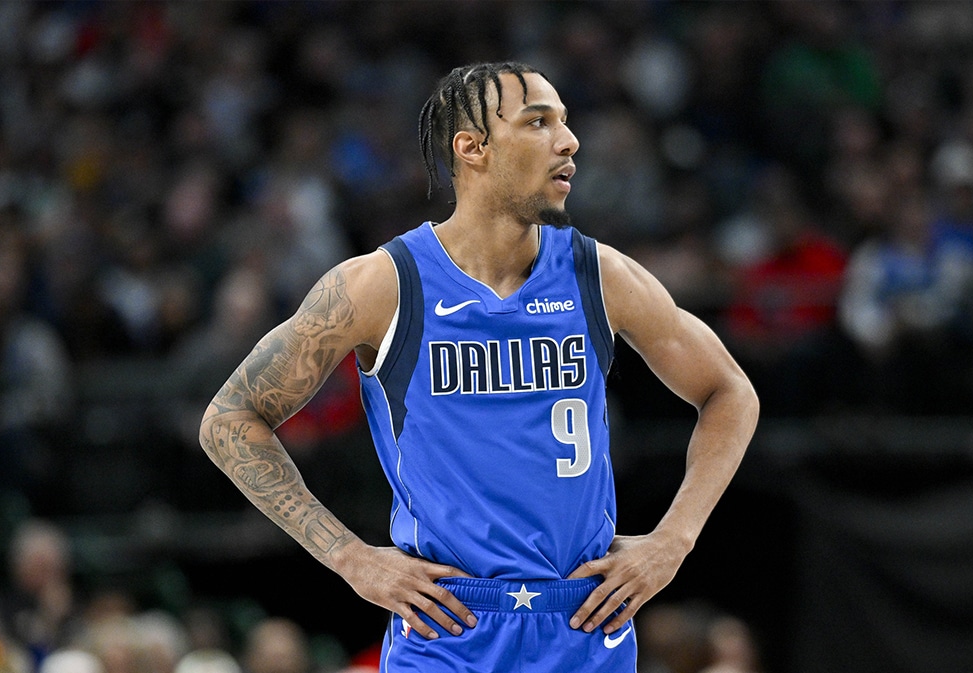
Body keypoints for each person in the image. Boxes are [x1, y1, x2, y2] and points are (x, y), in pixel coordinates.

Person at [198, 61, 759, 672]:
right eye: (538, 122)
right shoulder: (382, 285)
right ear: (472, 148)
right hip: (446, 626)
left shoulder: (601, 276)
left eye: (565, 123)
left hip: (585, 622)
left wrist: (674, 541)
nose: (568, 142)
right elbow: (230, 419)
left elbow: (730, 391)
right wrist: (349, 557)